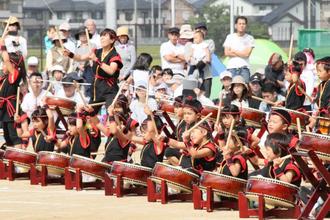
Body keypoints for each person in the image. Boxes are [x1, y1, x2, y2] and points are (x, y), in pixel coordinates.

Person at [64, 28, 123, 115]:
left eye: (105, 36)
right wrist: (70, 54)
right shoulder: (96, 51)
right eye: (101, 36)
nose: (102, 38)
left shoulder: (115, 55)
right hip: (97, 88)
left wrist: (96, 60)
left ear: (112, 40)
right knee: (89, 115)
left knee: (111, 114)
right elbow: (80, 57)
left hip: (110, 90)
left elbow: (111, 71)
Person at [0, 36, 26, 148]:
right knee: (7, 135)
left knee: (14, 136)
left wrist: (2, 45)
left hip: (11, 109)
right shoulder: (4, 77)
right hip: (3, 108)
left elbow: (5, 58)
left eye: (6, 63)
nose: (3, 65)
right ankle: (10, 160)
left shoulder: (14, 75)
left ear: (13, 65)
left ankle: (18, 159)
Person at [223, 16, 255, 83]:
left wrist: (234, 50)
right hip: (231, 68)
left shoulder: (250, 38)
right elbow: (226, 53)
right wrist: (241, 53)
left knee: (245, 89)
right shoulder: (230, 37)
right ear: (236, 25)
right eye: (239, 24)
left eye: (243, 24)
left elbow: (246, 54)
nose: (241, 25)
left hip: (244, 68)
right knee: (231, 89)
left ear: (246, 25)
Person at [72, 26, 96, 98]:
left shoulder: (93, 46)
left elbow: (94, 58)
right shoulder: (77, 49)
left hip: (90, 71)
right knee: (79, 88)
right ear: (79, 37)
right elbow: (74, 60)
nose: (83, 36)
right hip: (80, 71)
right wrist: (79, 66)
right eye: (81, 35)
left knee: (89, 87)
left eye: (85, 34)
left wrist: (88, 64)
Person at [194, 22, 215, 98]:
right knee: (194, 97)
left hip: (206, 75)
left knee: (205, 97)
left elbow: (207, 57)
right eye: (198, 29)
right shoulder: (192, 44)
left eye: (203, 29)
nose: (201, 31)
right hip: (194, 76)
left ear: (206, 32)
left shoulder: (209, 42)